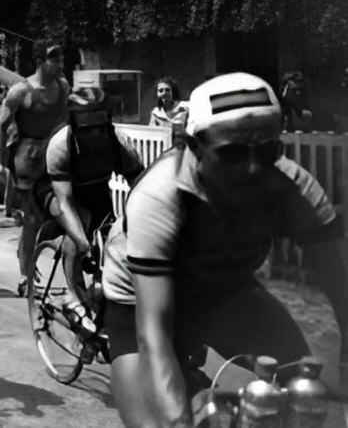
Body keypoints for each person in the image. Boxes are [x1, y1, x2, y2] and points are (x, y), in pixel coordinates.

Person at [101, 72, 346, 428]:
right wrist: (176, 418)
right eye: (230, 154)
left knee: (301, 393)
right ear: (194, 148)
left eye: (266, 151)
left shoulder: (294, 190)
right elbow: (153, 332)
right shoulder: (160, 197)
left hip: (225, 290)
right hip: (140, 303)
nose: (251, 168)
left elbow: (342, 289)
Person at [37, 87, 144, 325]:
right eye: (87, 128)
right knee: (80, 233)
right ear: (75, 124)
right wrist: (83, 243)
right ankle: (74, 297)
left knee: (114, 236)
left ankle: (105, 297)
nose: (95, 135)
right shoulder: (61, 144)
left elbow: (141, 186)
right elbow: (64, 200)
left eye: (100, 127)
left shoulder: (118, 142)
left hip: (96, 190)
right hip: (57, 192)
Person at [0, 39, 70, 296]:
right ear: (39, 62)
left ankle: (66, 271)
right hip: (28, 161)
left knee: (64, 215)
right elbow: (0, 125)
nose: (60, 64)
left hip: (56, 158)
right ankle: (27, 276)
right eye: (54, 59)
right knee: (32, 221)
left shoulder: (63, 87)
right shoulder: (20, 92)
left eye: (61, 58)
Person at [147, 77, 189, 142]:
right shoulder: (156, 112)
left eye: (167, 90)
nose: (164, 93)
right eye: (161, 91)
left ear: (173, 91)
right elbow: (152, 133)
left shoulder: (185, 108)